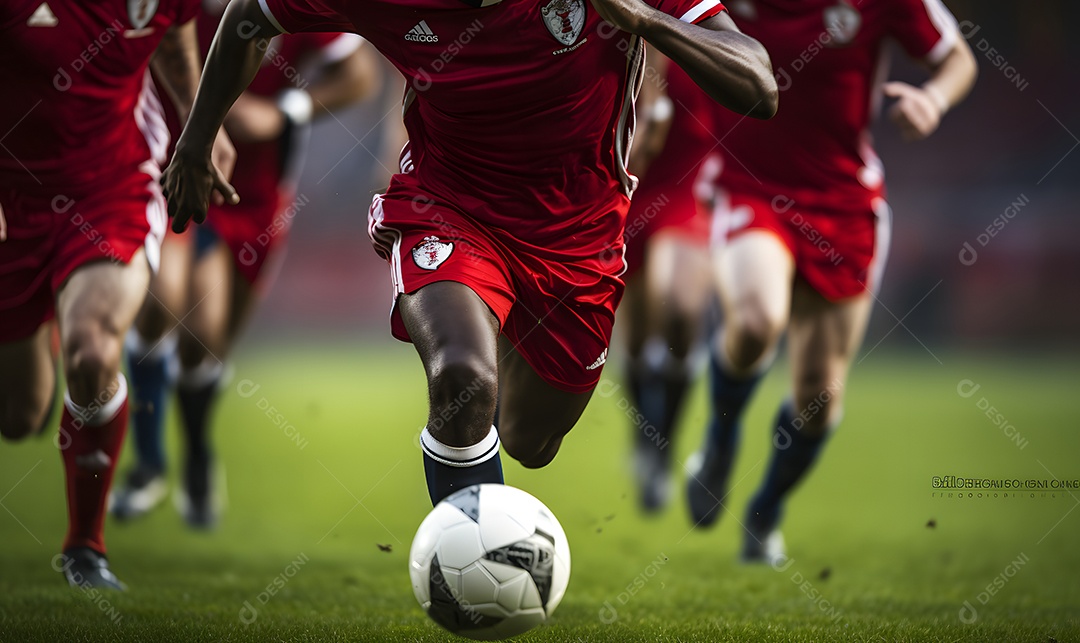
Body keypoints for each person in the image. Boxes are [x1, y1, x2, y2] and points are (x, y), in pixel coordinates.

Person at [162, 0, 778, 507]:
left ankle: (502, 344)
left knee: (531, 440)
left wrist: (645, 22)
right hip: (447, 205)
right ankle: (476, 572)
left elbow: (759, 85)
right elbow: (250, 16)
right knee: (463, 377)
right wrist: (197, 136)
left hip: (577, 236)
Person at [685, 0, 977, 562]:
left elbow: (958, 58)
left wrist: (932, 101)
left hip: (843, 204)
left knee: (819, 395)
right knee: (757, 319)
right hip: (750, 186)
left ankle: (765, 512)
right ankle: (720, 444)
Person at [110, 6, 377, 527]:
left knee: (206, 344)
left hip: (255, 196)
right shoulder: (165, 8)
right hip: (168, 173)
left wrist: (285, 111)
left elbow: (359, 73)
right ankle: (146, 462)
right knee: (163, 300)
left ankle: (198, 455)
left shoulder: (281, 6)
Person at [0, 0, 235, 588]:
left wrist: (202, 126)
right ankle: (51, 309)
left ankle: (85, 549)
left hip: (111, 188)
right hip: (10, 196)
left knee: (93, 352)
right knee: (20, 414)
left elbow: (177, 48)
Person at [621, 53, 718, 512]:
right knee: (637, 339)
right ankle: (645, 435)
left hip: (685, 186)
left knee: (680, 310)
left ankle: (665, 444)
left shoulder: (704, 24)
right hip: (623, 188)